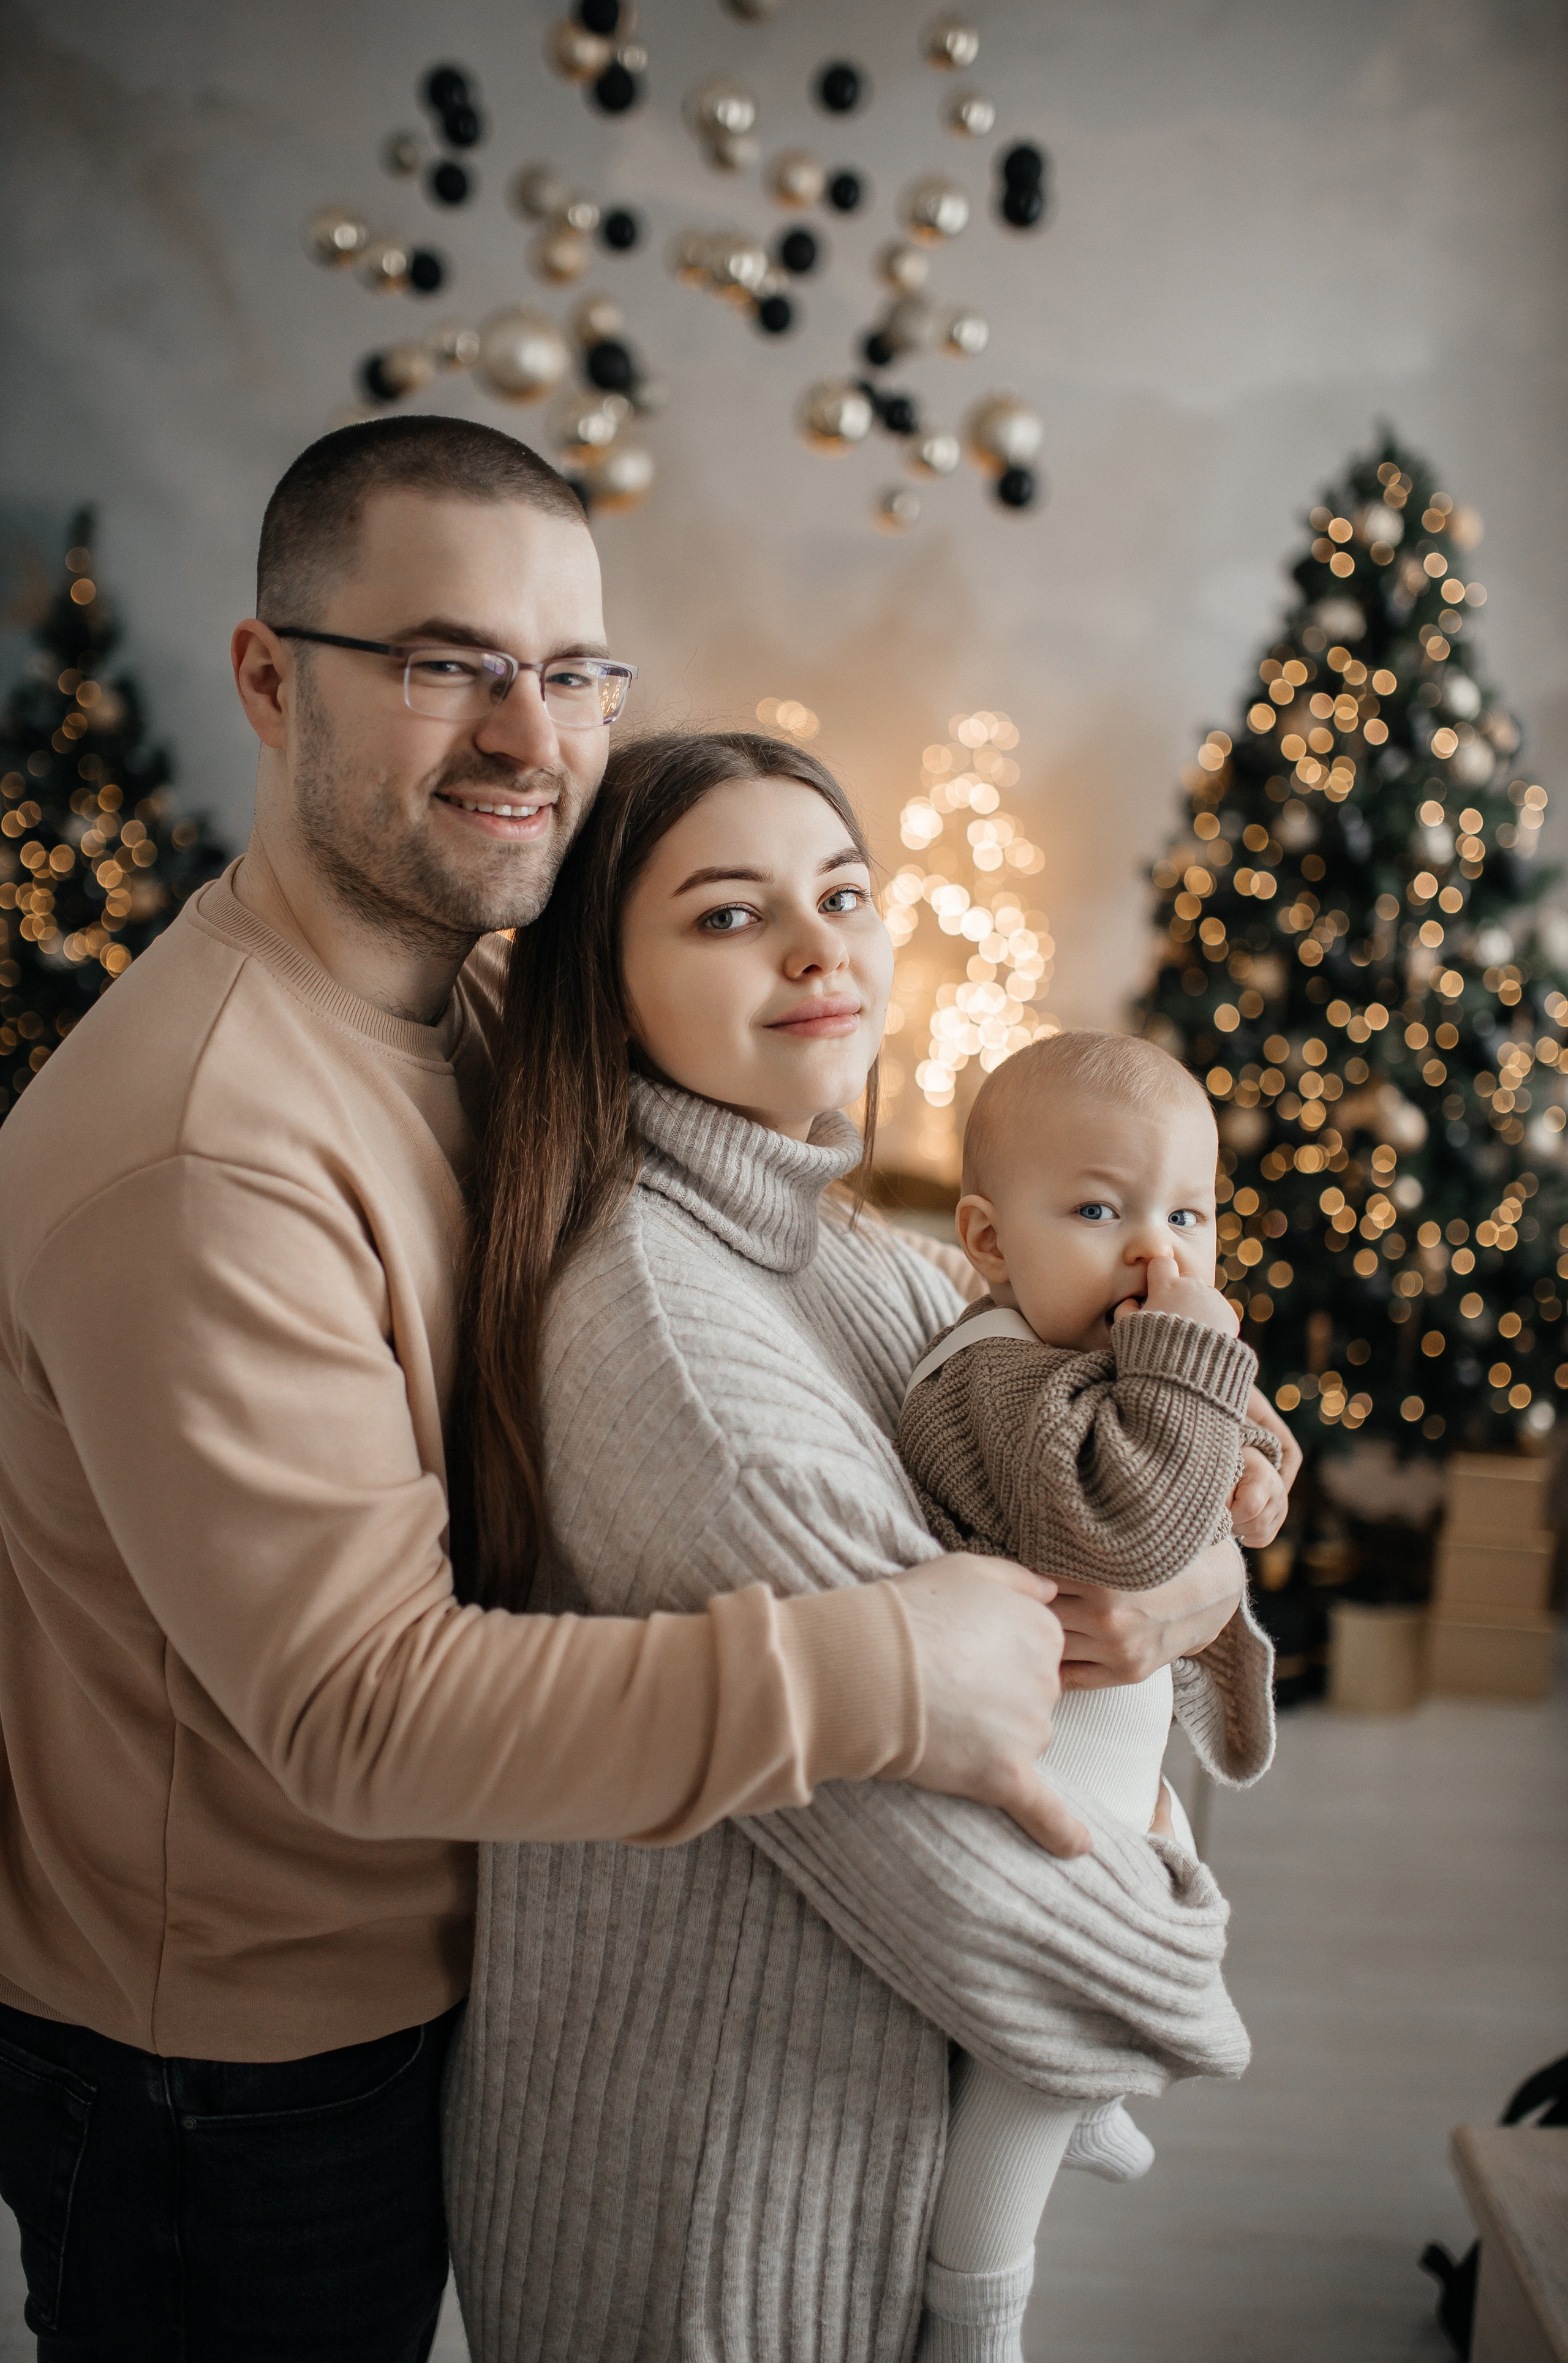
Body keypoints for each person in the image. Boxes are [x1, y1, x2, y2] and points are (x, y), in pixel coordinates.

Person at [0, 419, 1117, 2363]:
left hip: (452, 1973)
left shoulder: (488, 1000)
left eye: (575, 671)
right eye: (443, 664)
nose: (532, 735)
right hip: (230, 2068)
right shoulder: (211, 1148)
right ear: (272, 677)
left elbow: (784, 1231)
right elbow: (358, 1707)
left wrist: (1149, 1471)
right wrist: (882, 1674)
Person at [444, 730, 1294, 2363]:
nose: (822, 944)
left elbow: (1152, 1519)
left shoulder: (869, 1265)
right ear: (600, 981)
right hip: (721, 2219)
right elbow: (979, 1904)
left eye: (843, 893)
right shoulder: (669, 1347)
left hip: (856, 2160)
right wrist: (1189, 1960)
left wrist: (1191, 1585)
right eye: (728, 914)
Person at [897, 1029, 1281, 2361]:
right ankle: (977, 2308)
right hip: (1027, 1817)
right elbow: (1109, 1527)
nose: (1152, 1255)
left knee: (1180, 1896)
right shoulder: (985, 1377)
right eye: (1100, 1210)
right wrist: (1192, 1394)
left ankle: (1099, 2083)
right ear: (990, 1241)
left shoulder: (1128, 1345)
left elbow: (1222, 1412)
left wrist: (1260, 1470)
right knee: (1029, 2065)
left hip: (1115, 1786)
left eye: (1185, 1213)